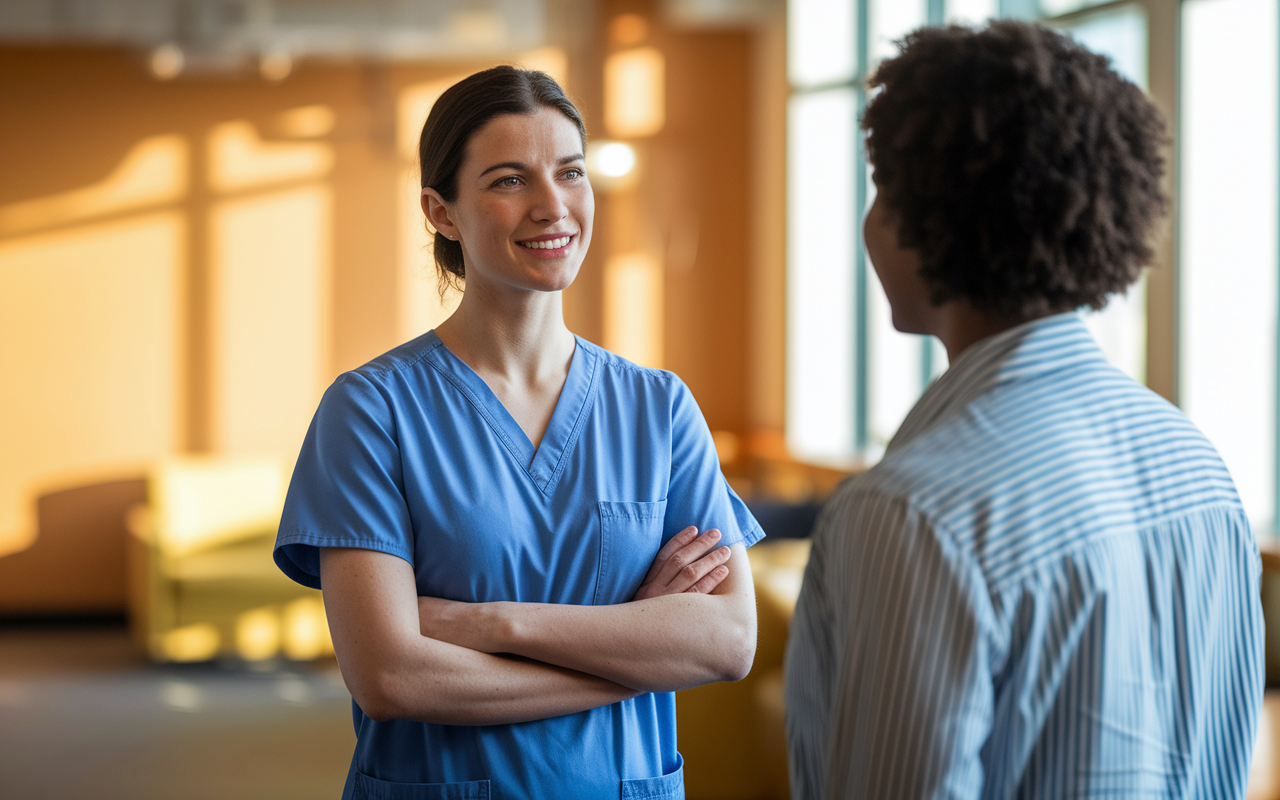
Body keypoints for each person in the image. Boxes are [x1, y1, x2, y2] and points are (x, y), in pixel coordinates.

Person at [784, 20, 1263, 799]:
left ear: (926, 218)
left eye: (883, 188)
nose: (871, 220)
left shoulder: (913, 512)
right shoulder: (1194, 460)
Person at [273, 65, 763, 800]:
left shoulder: (658, 409)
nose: (552, 206)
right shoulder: (371, 411)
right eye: (509, 181)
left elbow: (727, 643)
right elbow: (391, 677)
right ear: (441, 212)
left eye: (570, 172)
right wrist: (635, 645)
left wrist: (488, 623)